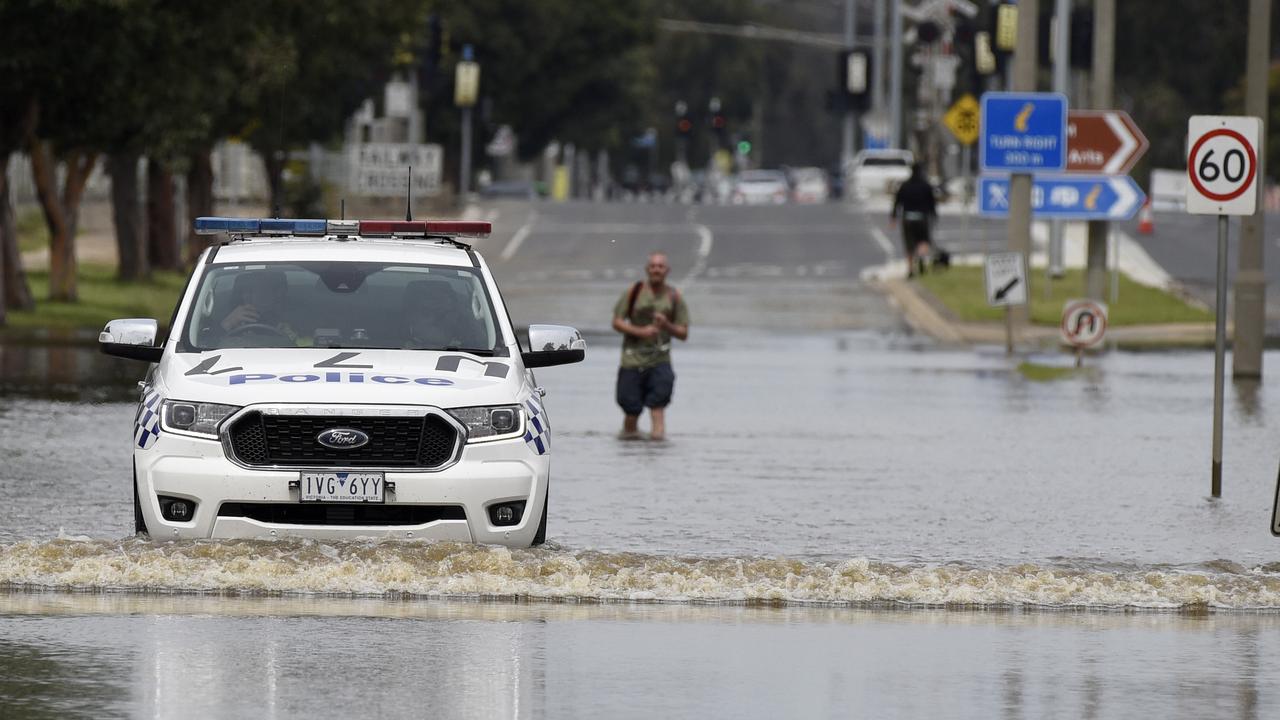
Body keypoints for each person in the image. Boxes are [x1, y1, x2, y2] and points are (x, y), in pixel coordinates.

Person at [611, 252, 690, 441]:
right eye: (653, 266)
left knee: (658, 407)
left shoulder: (674, 296)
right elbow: (616, 322)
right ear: (647, 269)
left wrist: (666, 325)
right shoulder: (634, 292)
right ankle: (629, 448)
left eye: (660, 266)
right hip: (631, 360)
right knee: (632, 410)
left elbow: (684, 333)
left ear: (667, 270)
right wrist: (640, 331)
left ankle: (658, 451)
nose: (657, 270)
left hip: (660, 360)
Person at [219, 270, 297, 342]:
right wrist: (226, 325)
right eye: (247, 291)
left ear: (277, 294)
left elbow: (305, 345)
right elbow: (210, 343)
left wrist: (291, 337)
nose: (249, 296)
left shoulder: (295, 317)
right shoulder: (229, 317)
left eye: (262, 291)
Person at [889, 163, 938, 278]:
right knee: (923, 240)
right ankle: (921, 258)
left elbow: (897, 202)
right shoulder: (926, 186)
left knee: (909, 244)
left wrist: (893, 217)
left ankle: (910, 268)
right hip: (922, 218)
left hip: (907, 218)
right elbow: (932, 203)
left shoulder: (905, 186)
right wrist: (934, 216)